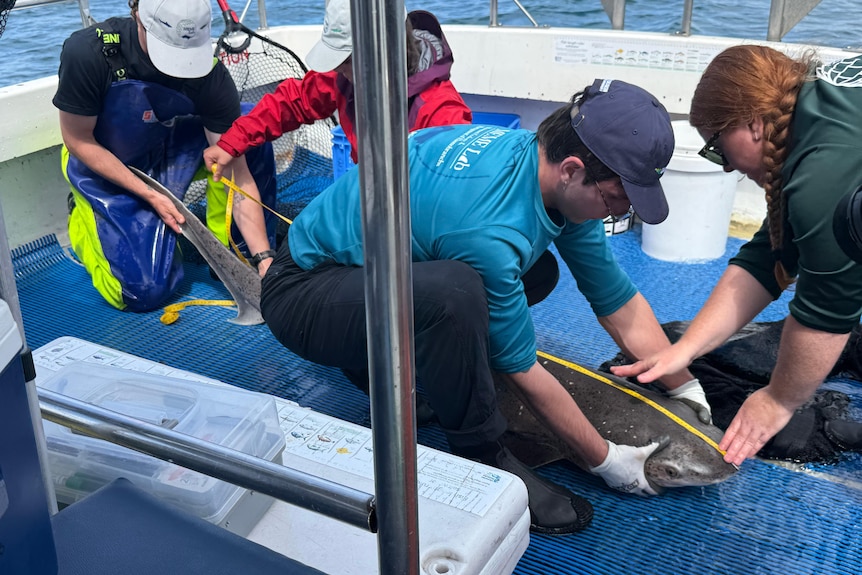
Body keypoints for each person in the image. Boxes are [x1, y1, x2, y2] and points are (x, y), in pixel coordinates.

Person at [252, 78, 712, 535]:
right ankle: (482, 453)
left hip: (371, 276)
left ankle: (384, 363)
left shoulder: (546, 166)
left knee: (535, 273)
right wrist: (606, 461)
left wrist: (684, 385)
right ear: (572, 170)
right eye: (616, 199)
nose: (616, 212)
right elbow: (523, 370)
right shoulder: (490, 228)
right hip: (303, 293)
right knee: (455, 294)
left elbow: (615, 298)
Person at [611, 45, 862, 467]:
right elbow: (767, 258)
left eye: (716, 148)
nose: (725, 166)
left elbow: (828, 312)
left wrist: (779, 400)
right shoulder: (812, 110)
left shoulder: (823, 180)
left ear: (752, 124)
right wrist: (685, 350)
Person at [54, 0, 278, 312]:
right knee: (140, 292)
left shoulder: (211, 76)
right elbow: (77, 138)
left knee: (247, 136)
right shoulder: (88, 53)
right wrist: (149, 195)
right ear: (137, 16)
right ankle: (83, 221)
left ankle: (230, 249)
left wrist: (263, 258)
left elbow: (236, 173)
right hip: (107, 158)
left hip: (171, 146)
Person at [203, 0, 472, 181]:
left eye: (346, 61)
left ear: (383, 51)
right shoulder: (345, 78)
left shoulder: (441, 112)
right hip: (364, 197)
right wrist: (230, 143)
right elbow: (293, 102)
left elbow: (450, 192)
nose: (338, 71)